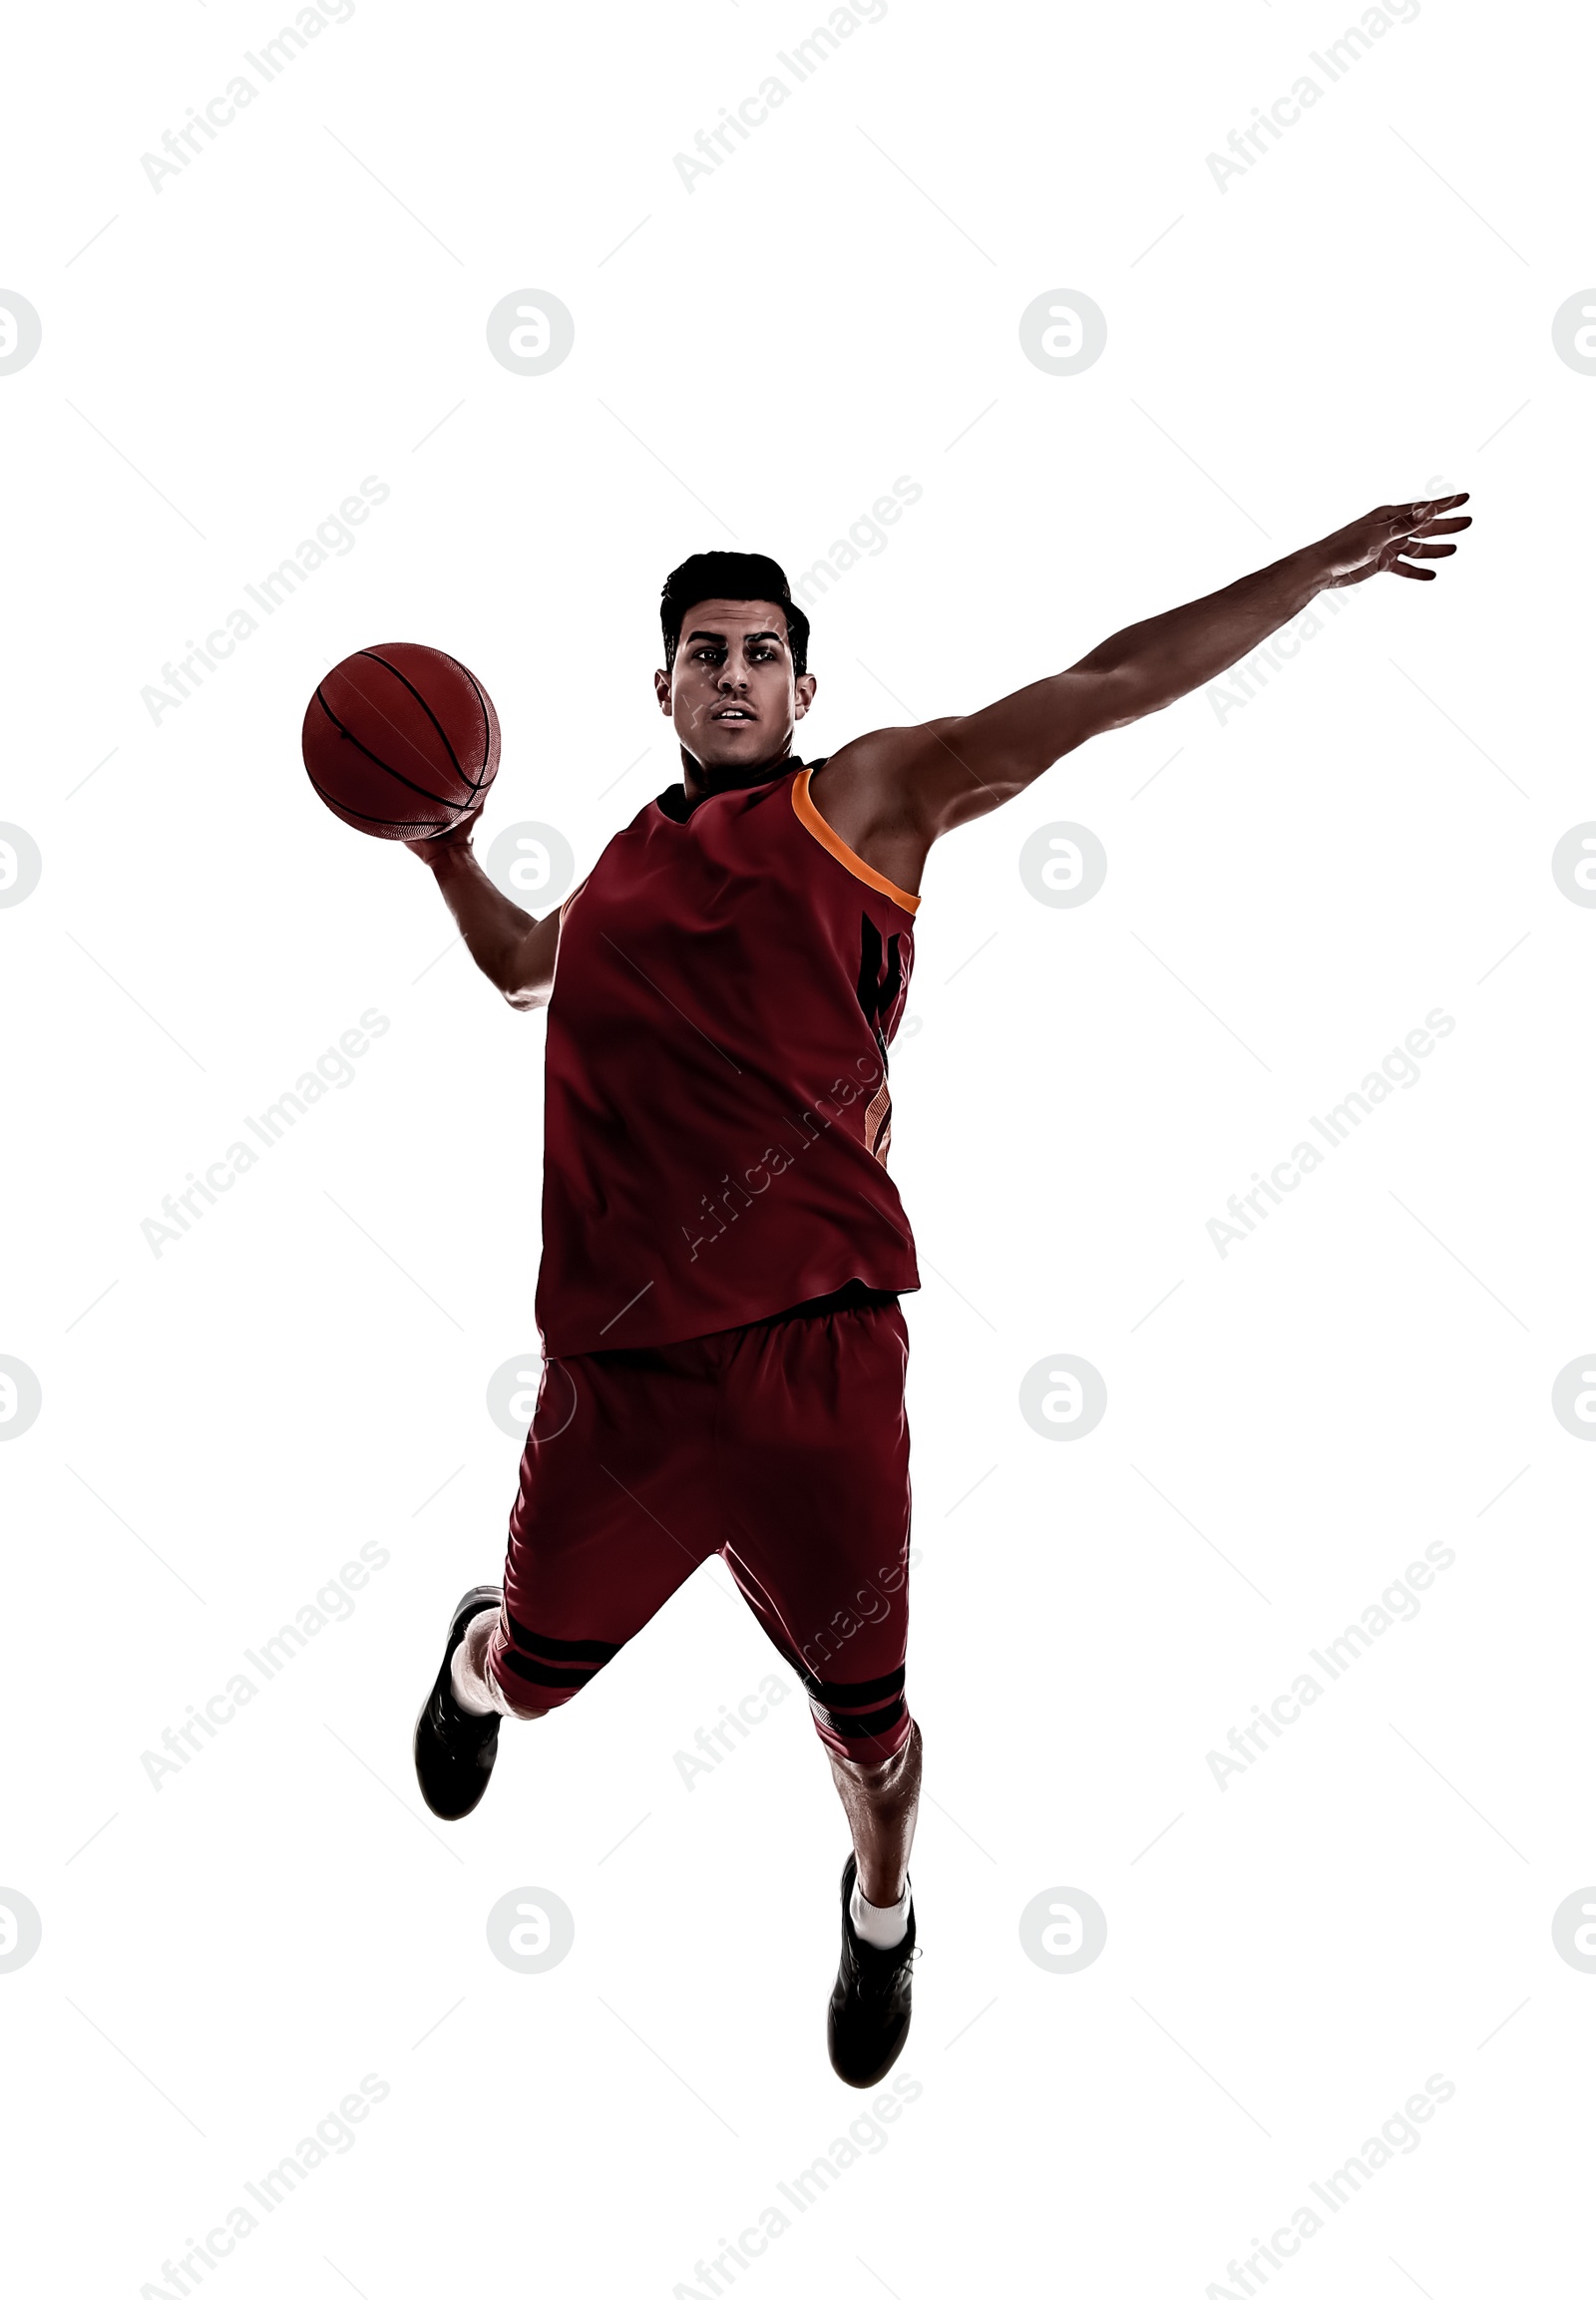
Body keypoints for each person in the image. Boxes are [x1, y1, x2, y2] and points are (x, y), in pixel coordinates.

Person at [409, 498, 1470, 2084]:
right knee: (538, 1687)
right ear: (661, 686)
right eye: (705, 654)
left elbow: (1103, 686)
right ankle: (478, 1644)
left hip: (820, 1362)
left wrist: (1308, 570)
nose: (734, 676)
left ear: (804, 692)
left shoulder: (866, 800)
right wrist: (441, 843)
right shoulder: (625, 870)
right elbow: (515, 968)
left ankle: (883, 1915)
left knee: (871, 1736)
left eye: (765, 654)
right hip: (616, 1379)